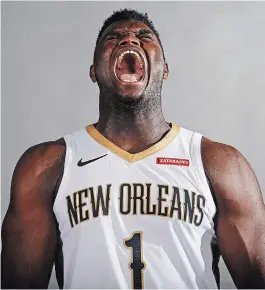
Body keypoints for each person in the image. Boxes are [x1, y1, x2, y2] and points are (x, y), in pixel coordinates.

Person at [1, 9, 265, 289]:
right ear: (93, 71)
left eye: (143, 36)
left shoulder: (219, 164)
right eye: (114, 37)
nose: (129, 40)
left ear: (164, 68)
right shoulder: (47, 165)